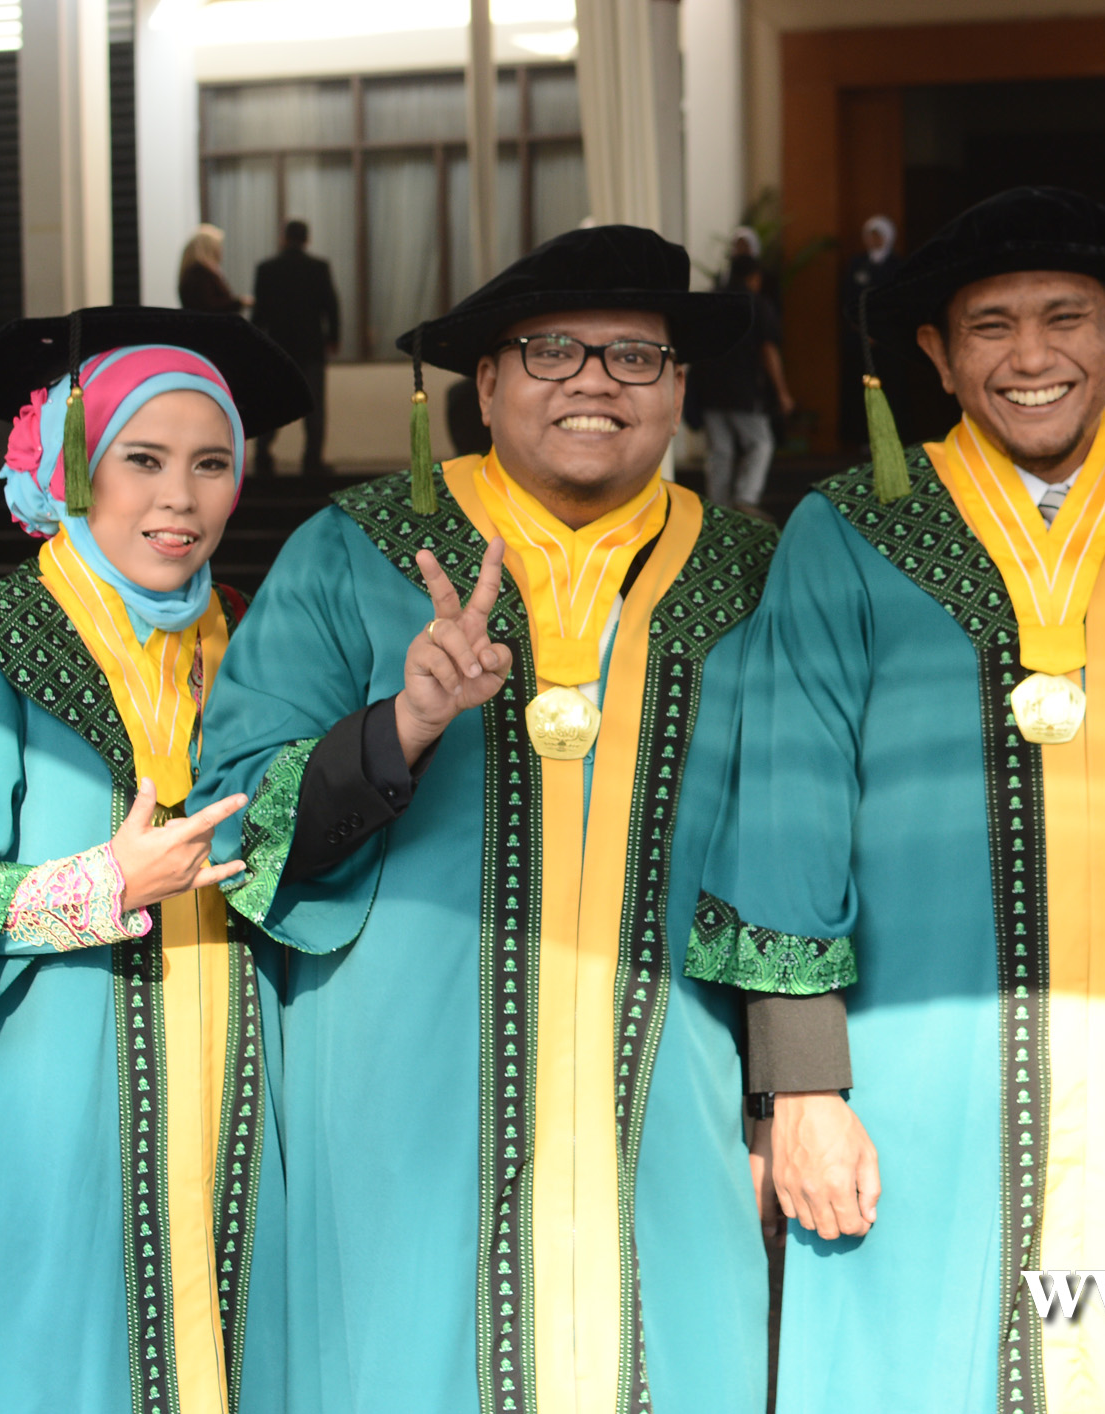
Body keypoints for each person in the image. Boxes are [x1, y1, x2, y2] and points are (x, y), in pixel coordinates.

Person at [692, 186, 1105, 1413]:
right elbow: (787, 807)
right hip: (917, 1076)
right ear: (935, 356)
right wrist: (800, 1087)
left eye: (1065, 318)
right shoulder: (850, 532)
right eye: (989, 326)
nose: (1029, 357)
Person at [191, 225, 774, 1414]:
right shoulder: (353, 554)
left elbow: (806, 846)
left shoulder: (752, 576)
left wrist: (788, 1091)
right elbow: (232, 821)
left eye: (635, 356)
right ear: (489, 381)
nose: (595, 382)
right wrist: (397, 725)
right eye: (552, 350)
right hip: (404, 1097)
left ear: (676, 386)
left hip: (673, 1097)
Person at [0, 308, 313, 1414]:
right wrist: (102, 886)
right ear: (75, 466)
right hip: (51, 1127)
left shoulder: (258, 645)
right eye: (142, 459)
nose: (179, 497)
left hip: (236, 1114)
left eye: (212, 463)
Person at [697, 252, 795, 514]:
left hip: (710, 389)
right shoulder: (757, 304)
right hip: (744, 388)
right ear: (754, 277)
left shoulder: (713, 301)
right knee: (761, 443)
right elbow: (768, 350)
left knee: (720, 450)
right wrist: (782, 391)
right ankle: (745, 498)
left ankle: (718, 507)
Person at [252, 218, 342, 475]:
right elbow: (331, 306)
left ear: (284, 238)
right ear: (306, 239)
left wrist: (252, 343)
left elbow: (260, 313)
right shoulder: (318, 267)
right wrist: (333, 337)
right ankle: (312, 459)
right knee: (314, 407)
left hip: (278, 348)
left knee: (272, 405)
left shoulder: (267, 269)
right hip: (311, 346)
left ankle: (262, 455)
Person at [838, 215, 900, 449]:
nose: (873, 240)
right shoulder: (857, 264)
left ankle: (889, 438)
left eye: (878, 235)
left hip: (886, 343)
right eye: (870, 235)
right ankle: (860, 437)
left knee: (888, 389)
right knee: (861, 391)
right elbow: (848, 299)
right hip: (859, 339)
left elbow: (897, 302)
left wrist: (880, 332)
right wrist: (860, 328)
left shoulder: (896, 265)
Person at [179, 223, 248, 315]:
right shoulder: (200, 274)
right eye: (218, 246)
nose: (221, 250)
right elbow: (209, 307)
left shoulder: (194, 272)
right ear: (210, 248)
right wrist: (239, 303)